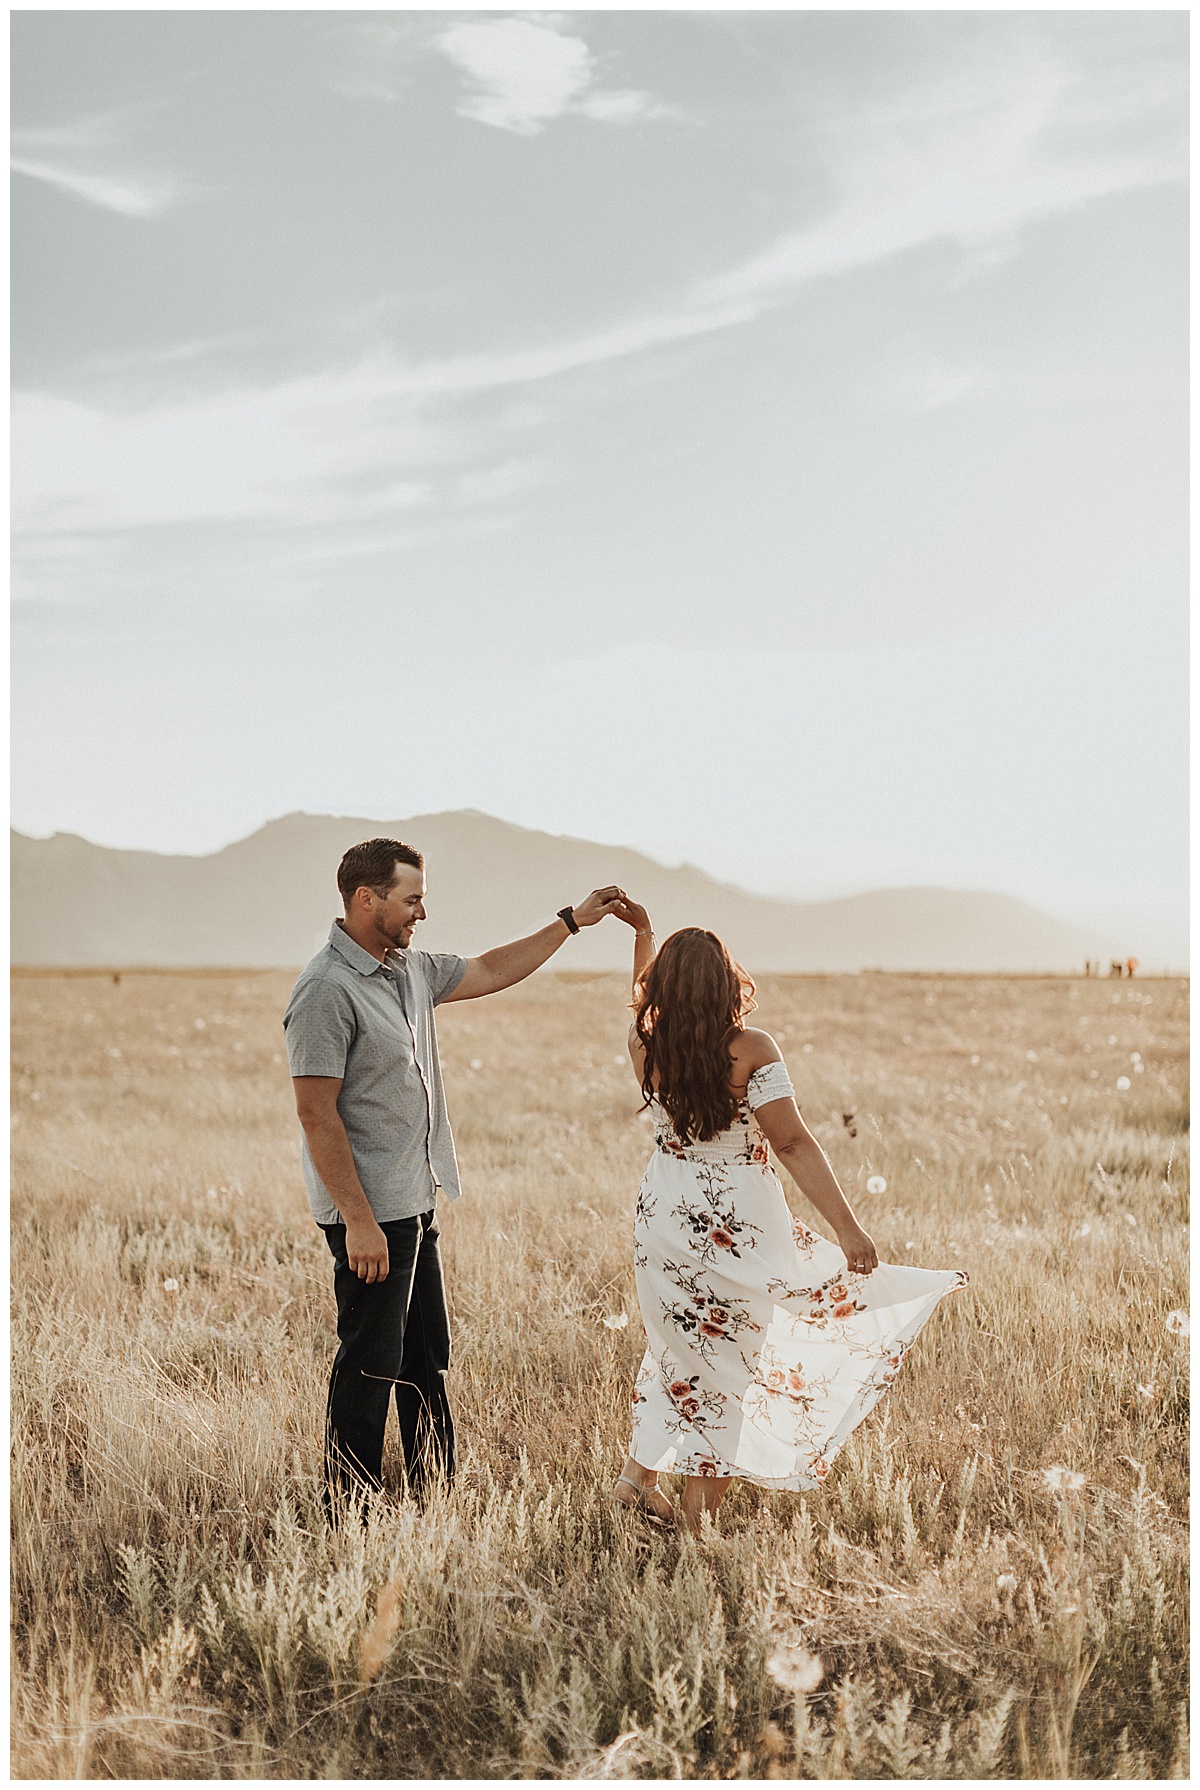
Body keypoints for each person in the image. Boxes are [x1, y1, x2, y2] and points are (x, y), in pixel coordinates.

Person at [283, 836, 626, 1518]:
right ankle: (347, 1509)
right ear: (366, 898)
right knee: (370, 1361)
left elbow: (495, 968)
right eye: (412, 901)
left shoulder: (408, 969)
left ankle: (436, 1491)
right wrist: (357, 1221)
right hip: (369, 1215)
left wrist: (569, 922)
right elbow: (316, 1115)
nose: (421, 915)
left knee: (425, 1354)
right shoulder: (325, 990)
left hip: (415, 1200)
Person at [608, 906, 967, 1535]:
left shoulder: (644, 1042)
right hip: (735, 1221)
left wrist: (642, 939)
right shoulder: (750, 1048)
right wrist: (849, 1229)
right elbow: (794, 1143)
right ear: (726, 983)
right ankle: (697, 1531)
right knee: (726, 1367)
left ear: (660, 989)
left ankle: (636, 1482)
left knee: (678, 1351)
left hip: (663, 1215)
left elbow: (641, 1007)